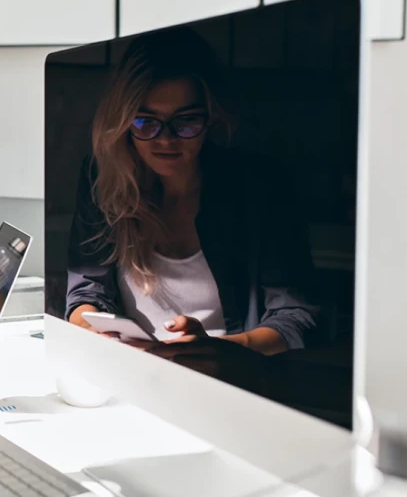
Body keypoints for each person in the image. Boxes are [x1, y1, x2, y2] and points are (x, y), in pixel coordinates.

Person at [66, 27, 319, 356]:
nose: (166, 140)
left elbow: (295, 319)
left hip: (230, 380)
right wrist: (95, 332)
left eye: (185, 122)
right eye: (146, 122)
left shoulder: (259, 187)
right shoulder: (103, 179)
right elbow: (86, 293)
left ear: (211, 116)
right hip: (131, 373)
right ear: (123, 122)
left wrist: (215, 351)